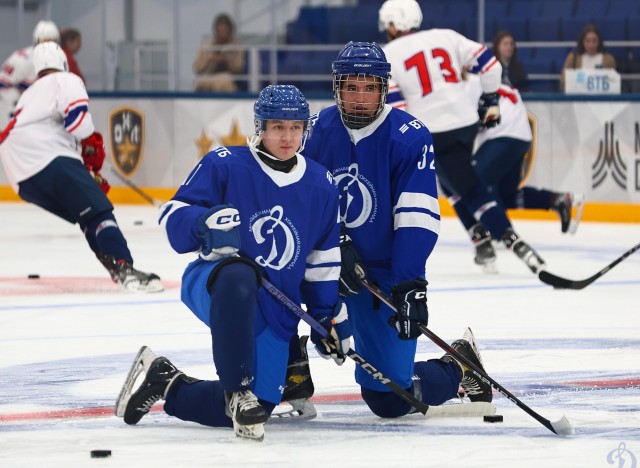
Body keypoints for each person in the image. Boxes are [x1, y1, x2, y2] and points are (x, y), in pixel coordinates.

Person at [115, 85, 351, 441]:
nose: (287, 137)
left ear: (305, 129)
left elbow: (321, 261)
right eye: (277, 127)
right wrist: (201, 223)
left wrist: (323, 317)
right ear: (260, 127)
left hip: (276, 306)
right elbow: (174, 214)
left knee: (259, 411)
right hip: (215, 283)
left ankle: (166, 383)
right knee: (239, 274)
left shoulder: (321, 184)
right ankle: (238, 389)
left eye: (295, 128)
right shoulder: (226, 164)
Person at [283, 41, 493, 421]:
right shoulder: (312, 133)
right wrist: (329, 248)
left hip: (381, 273)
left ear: (384, 89)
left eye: (369, 87)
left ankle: (459, 364)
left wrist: (409, 283)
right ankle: (288, 368)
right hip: (327, 261)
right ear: (337, 88)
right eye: (351, 87)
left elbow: (416, 217)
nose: (360, 98)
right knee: (271, 267)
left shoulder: (409, 136)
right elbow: (294, 205)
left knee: (391, 400)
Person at [379, 0, 546, 274]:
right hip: (466, 123)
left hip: (433, 130)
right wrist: (490, 99)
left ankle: (511, 240)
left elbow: (398, 108)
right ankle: (481, 239)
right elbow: (491, 66)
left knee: (469, 189)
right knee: (453, 180)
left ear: (394, 25)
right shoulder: (445, 35)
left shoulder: (388, 54)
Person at [0, 42, 162, 293]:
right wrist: (90, 142)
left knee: (86, 214)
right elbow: (79, 124)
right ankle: (125, 269)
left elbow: (47, 130)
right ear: (63, 63)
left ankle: (114, 266)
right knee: (98, 211)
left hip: (19, 175)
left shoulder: (29, 93)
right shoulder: (67, 80)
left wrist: (81, 156)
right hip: (45, 156)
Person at [464, 73, 585, 238]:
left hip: (504, 132)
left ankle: (502, 232)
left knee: (475, 180)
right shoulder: (474, 81)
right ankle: (555, 200)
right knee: (506, 194)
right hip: (520, 133)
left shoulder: (459, 87)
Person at [0, 20, 60, 129]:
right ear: (37, 40)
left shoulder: (60, 59)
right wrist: (18, 105)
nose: (50, 45)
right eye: (46, 41)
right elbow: (3, 84)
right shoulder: (21, 58)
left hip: (42, 114)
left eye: (53, 41)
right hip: (15, 112)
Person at [192, 13, 245, 92]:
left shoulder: (237, 47)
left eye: (225, 30)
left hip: (227, 77)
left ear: (230, 30)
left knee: (224, 81)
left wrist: (226, 60)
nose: (222, 33)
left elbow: (238, 69)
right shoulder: (206, 46)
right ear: (216, 30)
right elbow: (197, 69)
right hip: (208, 76)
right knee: (201, 82)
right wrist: (210, 60)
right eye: (220, 30)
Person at [561, 23, 617, 92]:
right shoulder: (572, 58)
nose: (591, 45)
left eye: (594, 41)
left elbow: (613, 82)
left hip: (600, 99)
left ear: (599, 42)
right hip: (578, 98)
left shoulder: (608, 59)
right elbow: (563, 81)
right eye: (588, 41)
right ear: (582, 42)